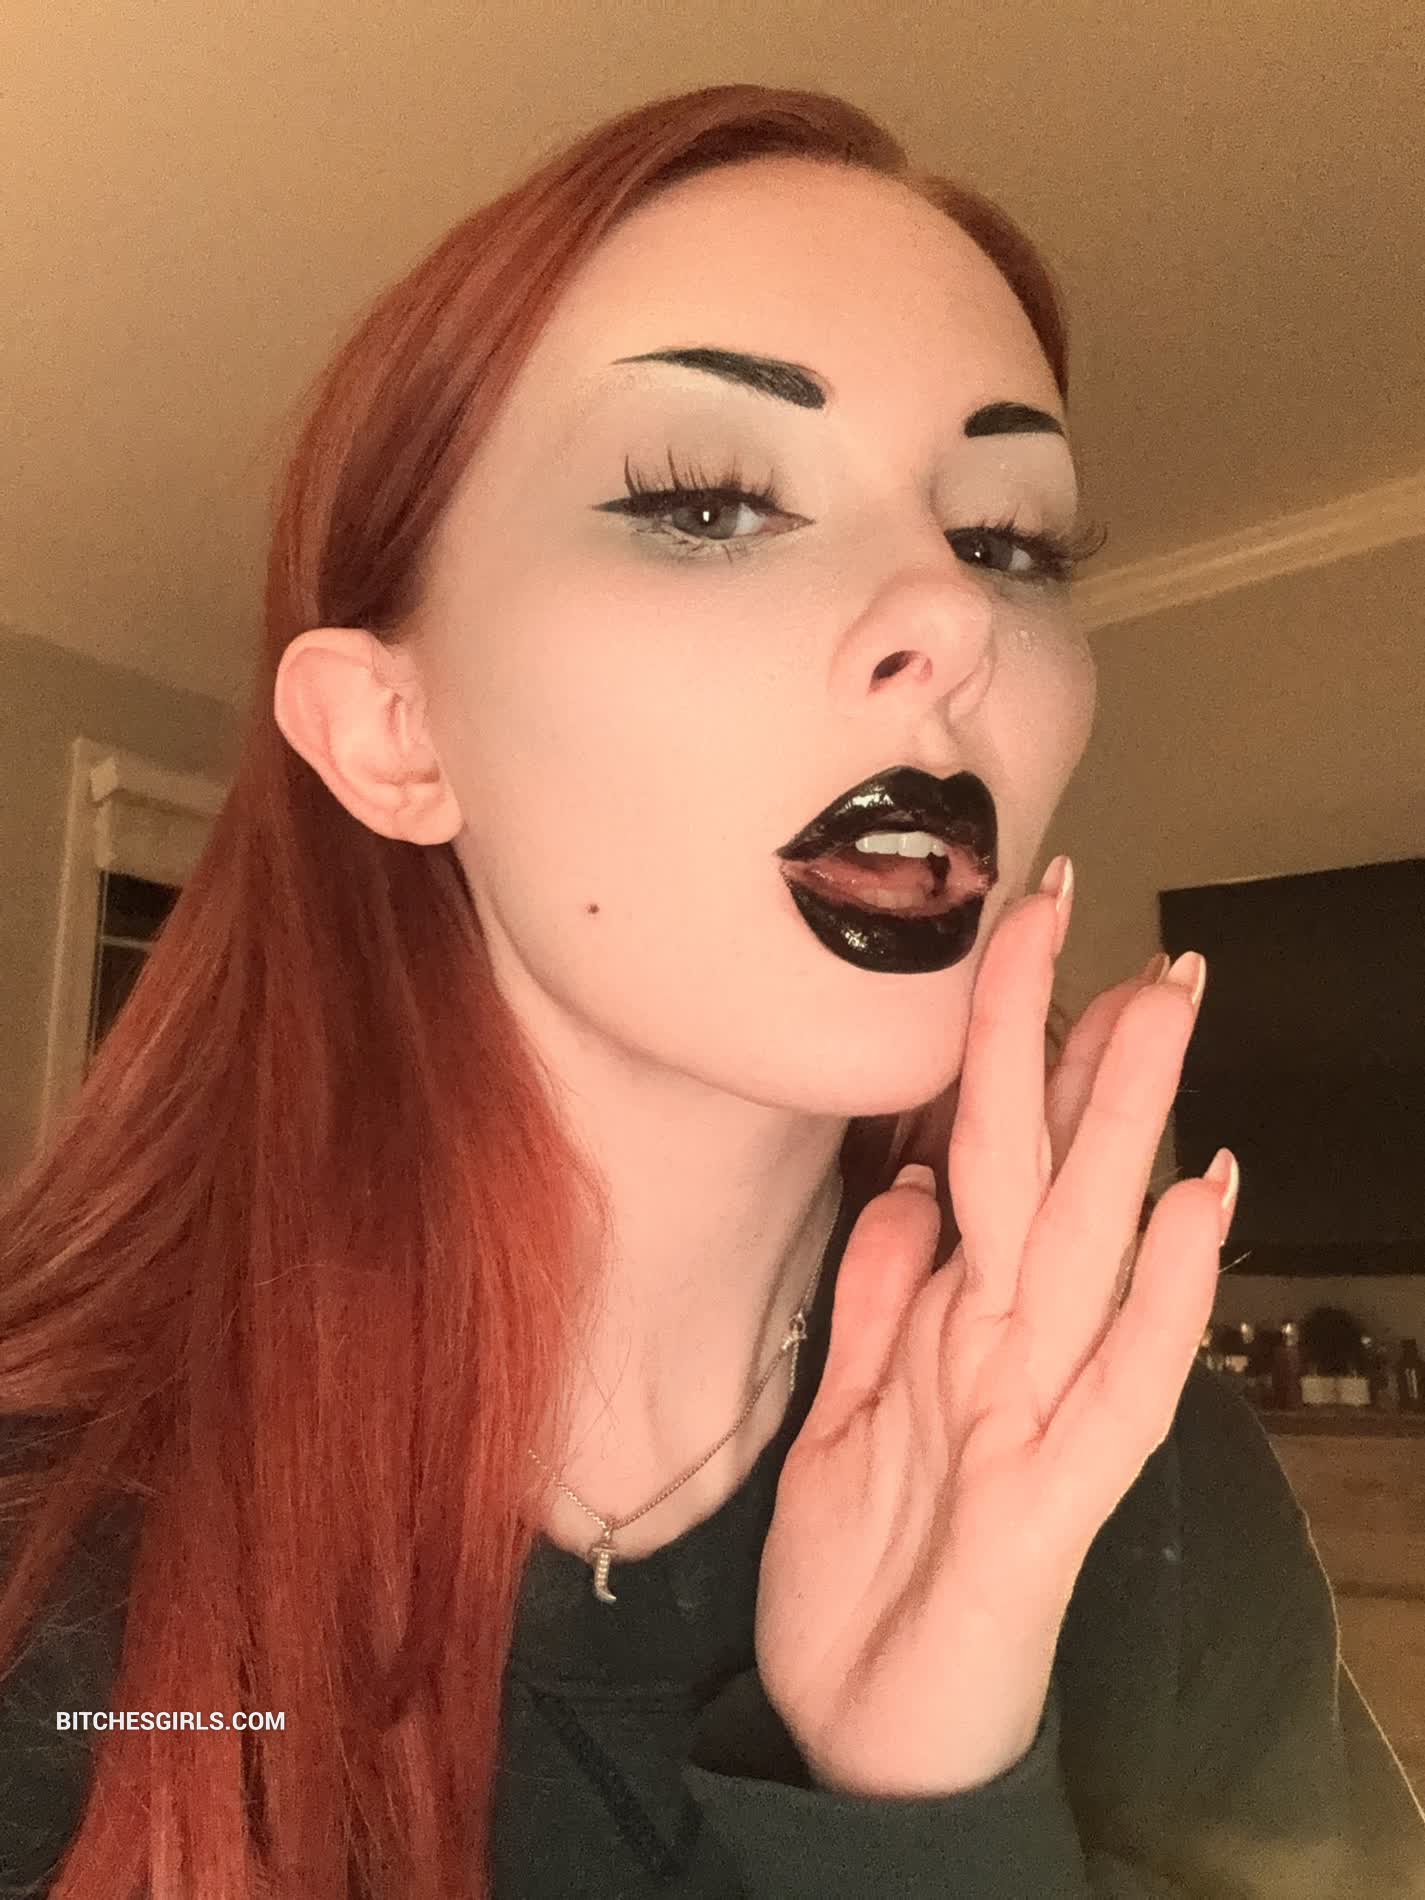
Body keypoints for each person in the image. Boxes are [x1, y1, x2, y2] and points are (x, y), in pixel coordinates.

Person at [1, 81, 1421, 1900]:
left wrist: (925, 1813)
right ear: (394, 734)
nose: (953, 615)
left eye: (1007, 540)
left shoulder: (1135, 1483)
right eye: (706, 503)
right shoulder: (50, 1553)